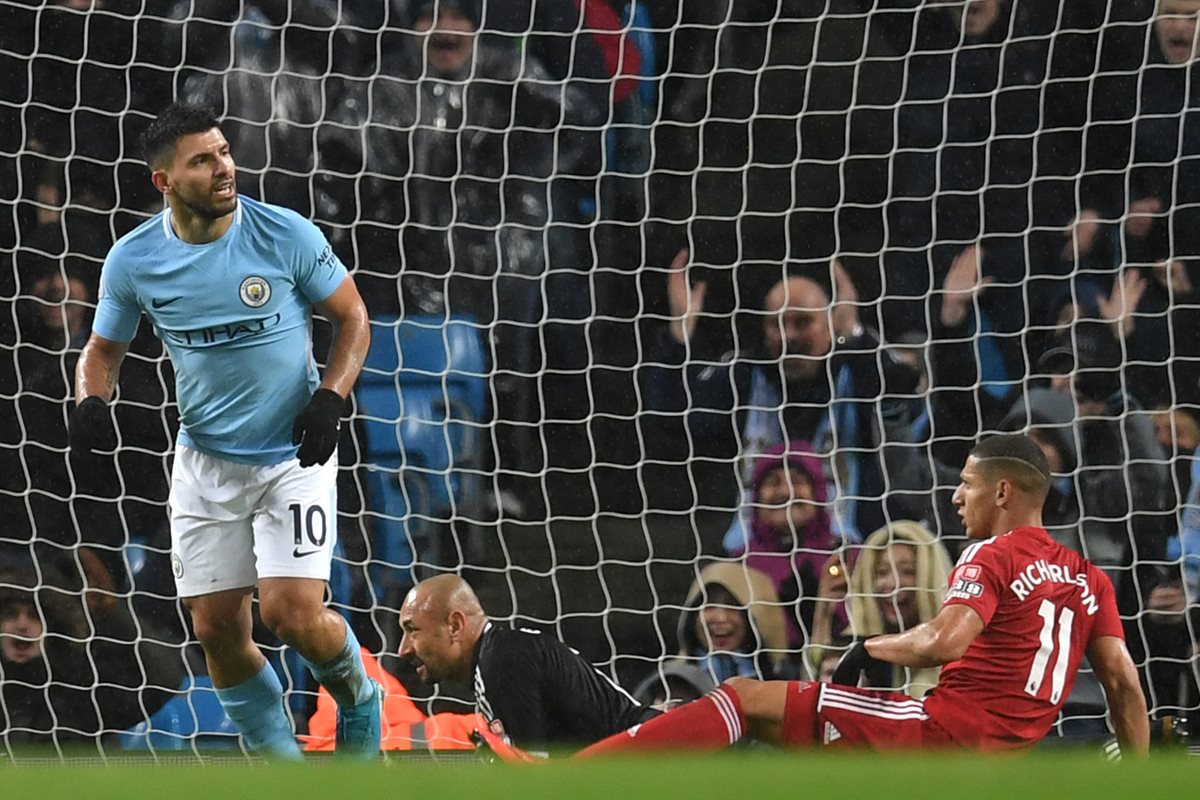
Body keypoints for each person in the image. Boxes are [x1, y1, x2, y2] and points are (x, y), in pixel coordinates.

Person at [68, 102, 378, 760]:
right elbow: (102, 352)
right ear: (165, 181)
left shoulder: (283, 233)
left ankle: (359, 693)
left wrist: (331, 398)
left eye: (225, 152)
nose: (224, 167)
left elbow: (352, 317)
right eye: (203, 160)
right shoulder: (134, 260)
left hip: (294, 454)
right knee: (215, 629)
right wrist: (91, 402)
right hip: (205, 464)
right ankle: (284, 768)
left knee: (290, 615)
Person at [574, 434, 1150, 756]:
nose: (956, 499)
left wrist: (870, 645)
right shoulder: (1088, 577)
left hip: (938, 734)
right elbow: (1124, 686)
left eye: (966, 485)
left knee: (744, 696)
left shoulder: (991, 554)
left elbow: (943, 642)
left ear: (1002, 491)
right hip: (1006, 754)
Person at [397, 573, 657, 756]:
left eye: (412, 630)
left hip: (655, 757)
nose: (403, 649)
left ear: (455, 625)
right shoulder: (499, 656)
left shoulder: (501, 664)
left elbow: (530, 780)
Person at [808, 521, 953, 698]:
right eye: (882, 572)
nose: (893, 584)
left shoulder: (955, 660)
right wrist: (822, 616)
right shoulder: (850, 654)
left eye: (908, 571)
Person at [676, 562, 796, 684]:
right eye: (709, 605)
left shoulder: (785, 683)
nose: (721, 618)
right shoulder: (671, 680)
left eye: (732, 605)